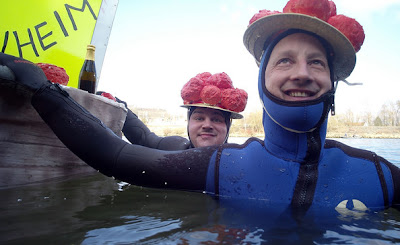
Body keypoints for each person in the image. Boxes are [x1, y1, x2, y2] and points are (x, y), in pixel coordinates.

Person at [0, 0, 399, 214]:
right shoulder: (222, 166)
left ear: (332, 83)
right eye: (284, 60)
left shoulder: (380, 174)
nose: (302, 73)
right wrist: (45, 92)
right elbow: (121, 153)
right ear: (263, 79)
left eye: (317, 62)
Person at [97, 71, 247, 149]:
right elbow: (144, 138)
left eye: (216, 119)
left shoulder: (241, 162)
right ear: (188, 123)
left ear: (228, 126)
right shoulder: (174, 146)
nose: (207, 125)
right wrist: (118, 106)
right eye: (199, 118)